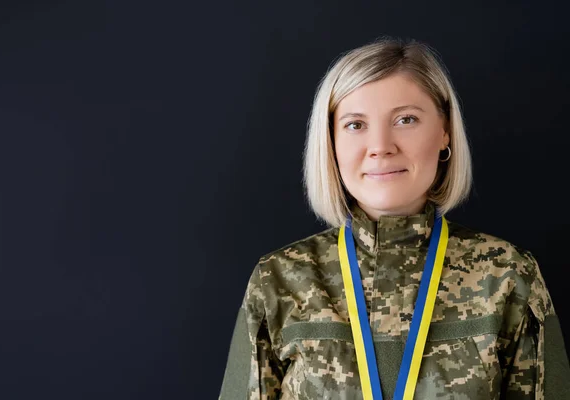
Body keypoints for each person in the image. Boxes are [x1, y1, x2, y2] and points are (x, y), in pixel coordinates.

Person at [218, 37, 570, 399]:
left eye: (406, 119)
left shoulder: (508, 275)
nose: (381, 145)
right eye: (355, 124)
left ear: (444, 130)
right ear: (331, 142)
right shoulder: (278, 280)